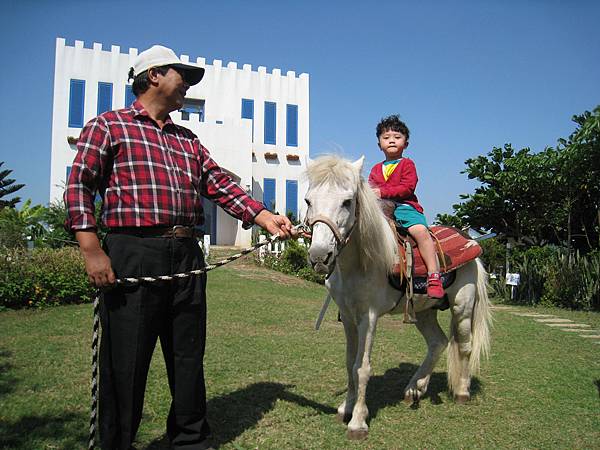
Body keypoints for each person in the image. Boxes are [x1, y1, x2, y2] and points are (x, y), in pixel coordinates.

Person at [64, 44, 294, 450]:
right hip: (132, 252)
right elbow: (79, 185)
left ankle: (190, 439)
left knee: (188, 356)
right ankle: (116, 443)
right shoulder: (109, 126)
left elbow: (219, 184)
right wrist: (91, 248)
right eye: (180, 75)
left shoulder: (188, 140)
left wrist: (263, 216)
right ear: (154, 75)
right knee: (126, 362)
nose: (186, 84)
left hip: (187, 255)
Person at [367, 115, 444, 299]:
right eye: (386, 138)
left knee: (421, 232)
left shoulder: (407, 164)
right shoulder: (376, 168)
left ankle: (433, 275)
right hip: (381, 209)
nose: (391, 140)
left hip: (405, 206)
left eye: (397, 137)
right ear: (379, 145)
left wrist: (381, 192)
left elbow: (407, 187)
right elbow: (370, 189)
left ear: (406, 143)